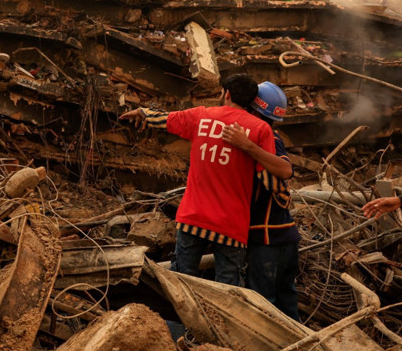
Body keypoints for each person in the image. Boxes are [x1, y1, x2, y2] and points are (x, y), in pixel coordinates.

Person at [119, 74, 277, 285]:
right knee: (228, 291)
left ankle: (178, 319)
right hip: (231, 225)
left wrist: (142, 112)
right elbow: (270, 178)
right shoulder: (260, 130)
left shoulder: (202, 116)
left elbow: (166, 119)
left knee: (181, 283)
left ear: (227, 94)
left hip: (193, 218)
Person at [222, 81, 301, 321]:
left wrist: (246, 147)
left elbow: (282, 175)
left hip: (267, 239)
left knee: (265, 307)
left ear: (253, 110)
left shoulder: (265, 140)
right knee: (287, 303)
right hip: (285, 236)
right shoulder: (271, 137)